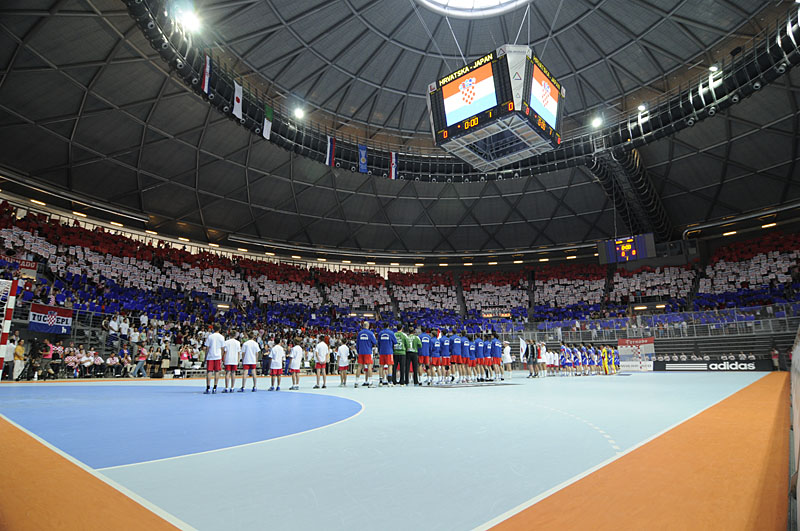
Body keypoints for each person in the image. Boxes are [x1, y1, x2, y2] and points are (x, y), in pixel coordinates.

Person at [203, 323, 225, 394]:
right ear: (220, 329)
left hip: (210, 356)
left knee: (209, 372)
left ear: (213, 329)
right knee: (217, 372)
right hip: (218, 356)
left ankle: (208, 388)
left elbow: (207, 347)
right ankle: (215, 387)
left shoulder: (210, 336)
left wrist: (205, 357)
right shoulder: (221, 337)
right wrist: (221, 357)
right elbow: (222, 348)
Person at [355, 322, 377, 387]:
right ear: (368, 326)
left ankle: (356, 382)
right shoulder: (370, 333)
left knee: (359, 367)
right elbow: (375, 342)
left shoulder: (359, 333)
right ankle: (370, 383)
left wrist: (359, 351)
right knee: (369, 366)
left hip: (361, 352)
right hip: (368, 352)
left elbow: (357, 344)